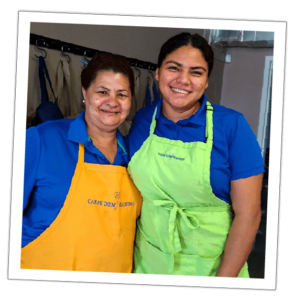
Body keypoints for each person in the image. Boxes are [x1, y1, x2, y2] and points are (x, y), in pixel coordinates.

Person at [127, 32, 264, 277]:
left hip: (212, 268)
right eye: (174, 68)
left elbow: (249, 214)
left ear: (207, 80)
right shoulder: (142, 120)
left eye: (196, 72)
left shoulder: (232, 126)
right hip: (148, 262)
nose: (183, 80)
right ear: (158, 73)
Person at [21, 53, 142, 272]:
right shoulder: (43, 139)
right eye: (102, 92)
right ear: (85, 93)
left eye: (122, 94)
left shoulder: (137, 155)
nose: (112, 102)